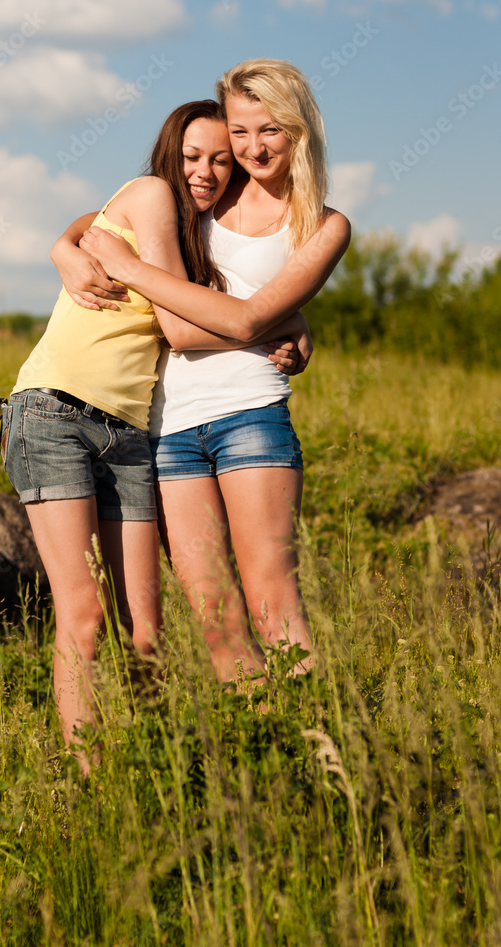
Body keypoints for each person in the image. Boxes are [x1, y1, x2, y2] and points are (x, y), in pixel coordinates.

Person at [2, 99, 311, 767]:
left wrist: (284, 321)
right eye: (192, 156)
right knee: (86, 616)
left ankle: (155, 774)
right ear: (170, 153)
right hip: (54, 412)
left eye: (221, 162)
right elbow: (179, 325)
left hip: (130, 431)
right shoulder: (150, 194)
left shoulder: (191, 230)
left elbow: (93, 233)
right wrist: (276, 322)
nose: (205, 172)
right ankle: (89, 783)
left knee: (146, 632)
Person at [58, 59, 351, 683]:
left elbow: (247, 322)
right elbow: (107, 218)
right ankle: (260, 742)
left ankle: (316, 742)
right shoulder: (210, 189)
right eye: (240, 132)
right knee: (217, 620)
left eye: (270, 130)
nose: (252, 148)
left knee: (273, 603)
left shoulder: (324, 226)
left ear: (300, 130)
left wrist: (288, 322)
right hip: (169, 428)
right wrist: (63, 247)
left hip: (251, 417)